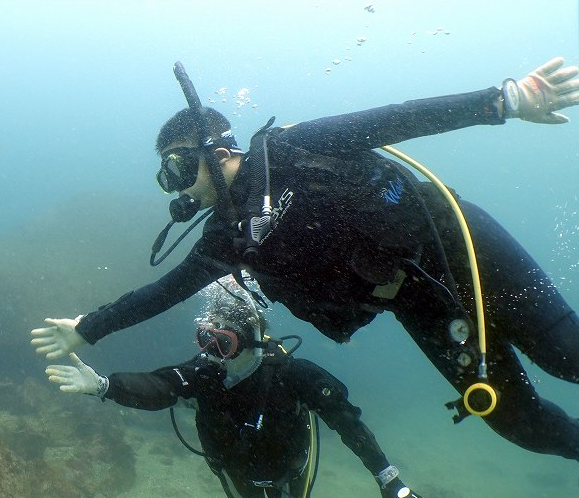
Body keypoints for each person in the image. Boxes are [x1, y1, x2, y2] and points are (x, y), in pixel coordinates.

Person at [31, 57, 579, 464]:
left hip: (458, 245)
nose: (175, 189)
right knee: (517, 423)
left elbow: (395, 121)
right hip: (416, 299)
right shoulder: (227, 238)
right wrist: (89, 327)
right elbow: (164, 291)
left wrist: (502, 101)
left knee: (567, 355)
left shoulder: (288, 151)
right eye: (165, 177)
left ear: (216, 149)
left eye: (177, 170)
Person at [43, 277, 430, 498]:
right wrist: (104, 386)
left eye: (223, 343)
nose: (212, 353)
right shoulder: (205, 372)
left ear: (253, 341)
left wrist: (387, 476)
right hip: (231, 465)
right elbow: (160, 386)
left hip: (289, 466)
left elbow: (347, 422)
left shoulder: (293, 375)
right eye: (205, 340)